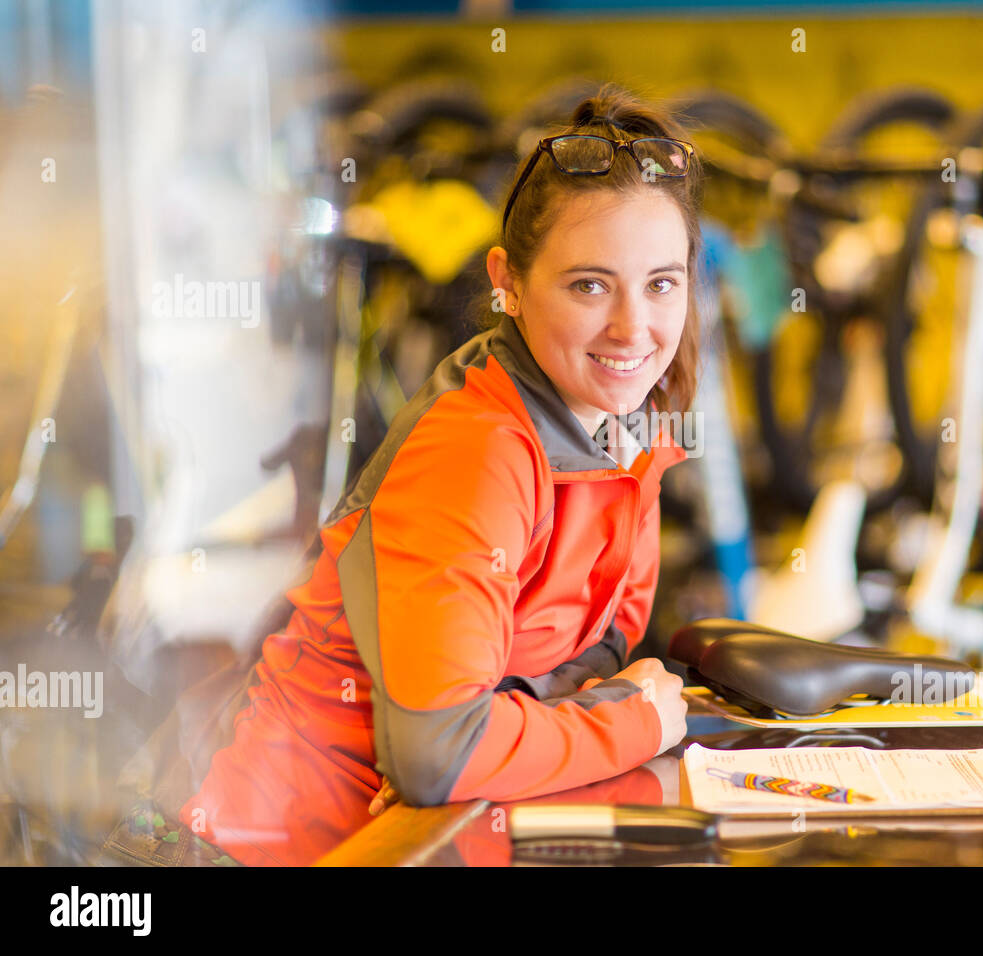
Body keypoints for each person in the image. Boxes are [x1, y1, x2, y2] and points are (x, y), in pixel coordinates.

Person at [118, 85, 702, 867]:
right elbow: (441, 757)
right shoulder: (480, 450)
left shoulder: (622, 426)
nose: (634, 328)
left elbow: (584, 659)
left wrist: (544, 714)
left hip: (417, 840)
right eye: (589, 285)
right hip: (250, 848)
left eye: (662, 283)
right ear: (510, 283)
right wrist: (632, 720)